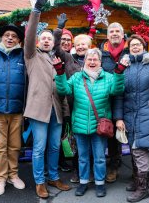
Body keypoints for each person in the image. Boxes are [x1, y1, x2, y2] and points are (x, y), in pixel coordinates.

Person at [54, 48, 127, 197]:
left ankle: (100, 183)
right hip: (80, 125)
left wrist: (119, 72)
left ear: (100, 62)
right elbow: (64, 90)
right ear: (85, 61)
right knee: (83, 157)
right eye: (89, 59)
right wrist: (60, 72)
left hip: (100, 126)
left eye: (95, 59)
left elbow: (117, 90)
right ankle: (83, 181)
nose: (92, 62)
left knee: (100, 157)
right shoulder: (76, 77)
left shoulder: (108, 77)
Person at [23, 0, 71, 198]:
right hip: (39, 111)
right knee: (39, 148)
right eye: (42, 38)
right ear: (37, 40)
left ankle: (53, 176)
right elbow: (30, 34)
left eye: (49, 39)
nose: (45, 40)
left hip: (56, 111)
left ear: (53, 42)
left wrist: (66, 112)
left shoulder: (56, 57)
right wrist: (37, 9)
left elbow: (60, 85)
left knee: (54, 147)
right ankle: (40, 182)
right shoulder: (31, 55)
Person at [114, 34, 149, 202]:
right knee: (133, 149)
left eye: (138, 44)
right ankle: (137, 180)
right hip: (129, 114)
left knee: (139, 150)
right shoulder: (124, 65)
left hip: (147, 113)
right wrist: (118, 117)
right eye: (132, 45)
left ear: (144, 46)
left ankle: (143, 188)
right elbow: (118, 94)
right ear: (128, 47)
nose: (135, 47)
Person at [53, 13, 93, 182]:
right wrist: (59, 28)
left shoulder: (95, 59)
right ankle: (77, 171)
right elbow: (56, 47)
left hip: (93, 108)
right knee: (77, 142)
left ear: (90, 46)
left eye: (84, 44)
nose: (81, 46)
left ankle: (91, 171)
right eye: (78, 44)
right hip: (75, 108)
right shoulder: (69, 59)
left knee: (92, 142)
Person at [0, 24, 26, 195]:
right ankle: (1, 178)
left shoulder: (24, 56)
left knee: (15, 145)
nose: (10, 38)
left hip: (18, 110)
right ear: (2, 38)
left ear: (19, 40)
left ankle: (13, 175)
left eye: (14, 36)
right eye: (7, 35)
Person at [100, 22, 129, 183]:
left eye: (118, 31)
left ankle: (137, 171)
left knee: (129, 135)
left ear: (123, 34)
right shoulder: (101, 53)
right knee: (109, 134)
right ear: (107, 35)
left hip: (130, 98)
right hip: (107, 100)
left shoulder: (130, 50)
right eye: (112, 31)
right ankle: (113, 166)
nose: (115, 33)